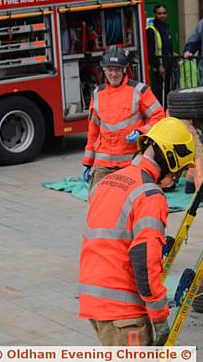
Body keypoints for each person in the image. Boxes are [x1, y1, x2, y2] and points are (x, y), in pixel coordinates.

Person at [79, 117, 195, 346]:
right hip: (124, 311)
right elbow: (144, 260)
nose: (175, 179)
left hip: (94, 300)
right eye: (178, 172)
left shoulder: (108, 182)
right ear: (170, 159)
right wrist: (160, 317)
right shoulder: (150, 196)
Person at [82, 47, 165, 191]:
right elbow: (93, 131)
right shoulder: (97, 94)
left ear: (125, 70)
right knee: (97, 201)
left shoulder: (140, 91)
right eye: (110, 70)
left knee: (129, 203)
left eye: (118, 69)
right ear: (104, 71)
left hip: (131, 163)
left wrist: (140, 132)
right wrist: (88, 162)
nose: (113, 74)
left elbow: (159, 117)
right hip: (104, 164)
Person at [146, 4, 174, 109]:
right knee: (159, 94)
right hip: (158, 69)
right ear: (155, 15)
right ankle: (159, 115)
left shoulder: (166, 28)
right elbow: (150, 52)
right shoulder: (151, 30)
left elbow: (167, 47)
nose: (162, 15)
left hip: (168, 65)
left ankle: (167, 112)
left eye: (164, 13)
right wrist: (159, 66)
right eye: (159, 13)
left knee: (168, 92)